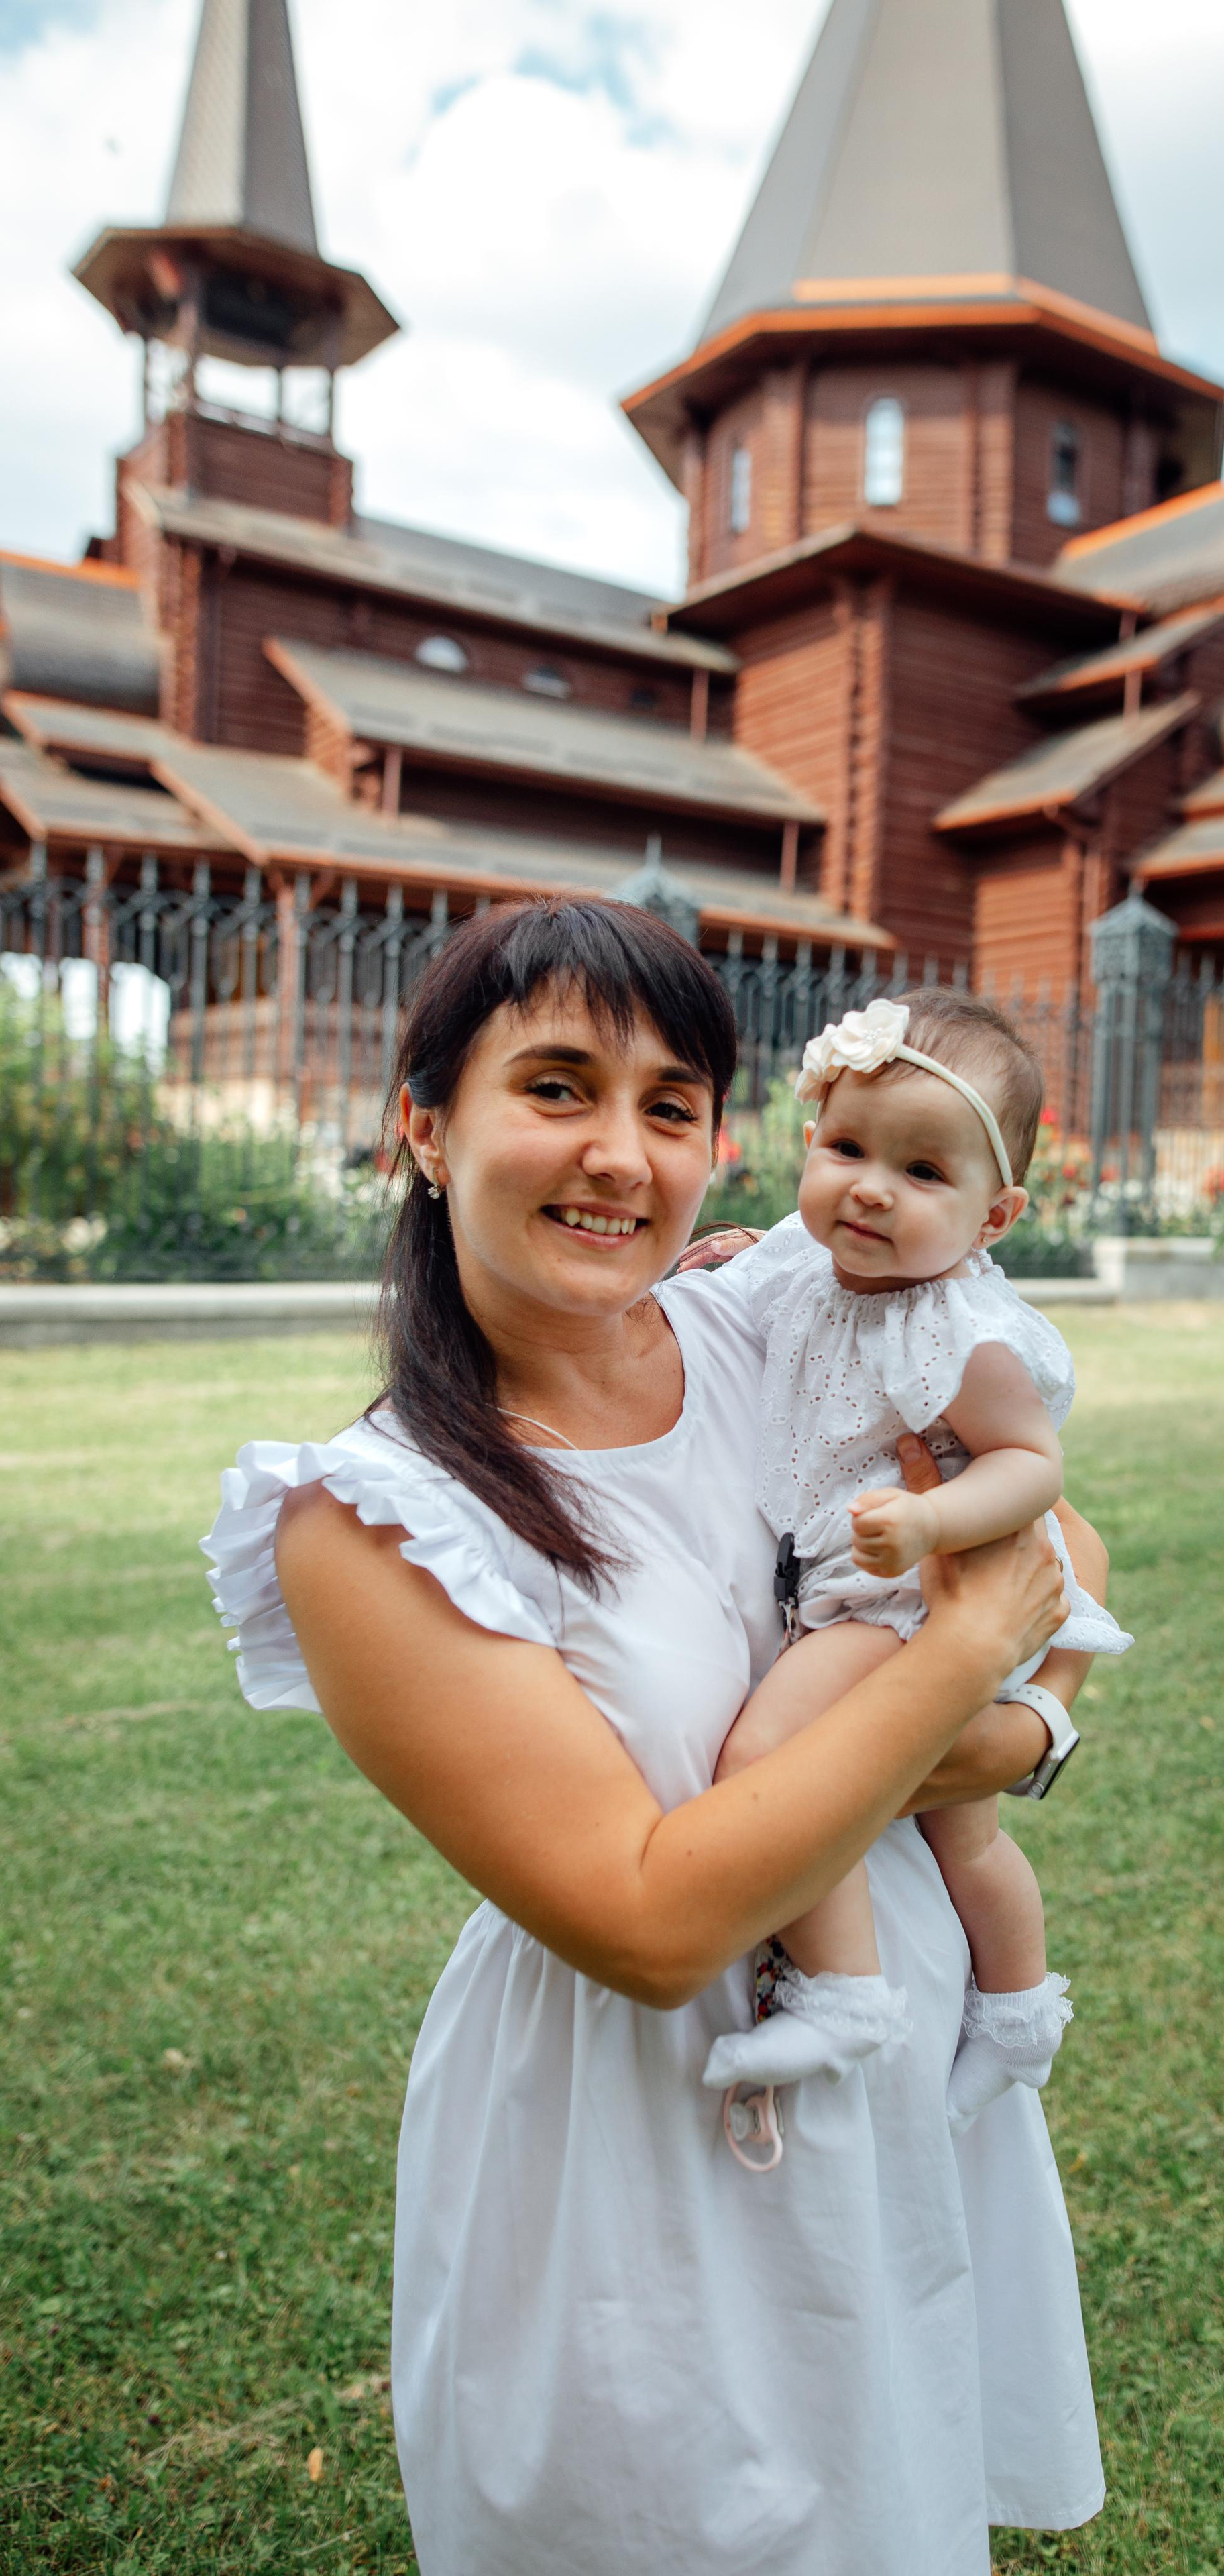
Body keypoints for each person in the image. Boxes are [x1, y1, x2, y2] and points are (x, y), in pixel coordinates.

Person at [201, 898, 1109, 2575]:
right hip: (626, 2121)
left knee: (879, 2494)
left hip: (881, 2049)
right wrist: (971, 1659)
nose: (618, 1155)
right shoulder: (375, 1519)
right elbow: (649, 1916)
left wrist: (1024, 1725)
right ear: (424, 1123)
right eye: (555, 1088)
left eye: (670, 1107)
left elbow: (1063, 1550)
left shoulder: (762, 1323)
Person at [700, 990, 1130, 2151]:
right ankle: (1020, 2013)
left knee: (768, 1753)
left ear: (995, 1217)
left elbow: (1035, 1469)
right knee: (967, 1837)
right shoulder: (804, 1263)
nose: (871, 1189)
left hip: (898, 1593)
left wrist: (936, 1525)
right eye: (846, 1150)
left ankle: (842, 1995)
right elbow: (735, 1300)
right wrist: (722, 1262)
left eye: (922, 1173)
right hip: (868, 1583)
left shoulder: (957, 1334)